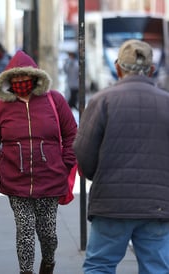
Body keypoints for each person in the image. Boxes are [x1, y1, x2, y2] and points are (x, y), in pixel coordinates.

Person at [73, 39, 169, 274]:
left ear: (118, 67)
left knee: (100, 266)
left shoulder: (101, 101)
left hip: (111, 203)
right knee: (156, 267)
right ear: (152, 69)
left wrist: (101, 176)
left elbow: (83, 154)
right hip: (157, 204)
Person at [0, 50, 77, 274]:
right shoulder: (0, 108)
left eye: (24, 77)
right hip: (16, 181)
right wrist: (0, 164)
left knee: (48, 234)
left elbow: (72, 134)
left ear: (35, 78)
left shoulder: (55, 100)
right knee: (24, 231)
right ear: (8, 81)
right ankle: (26, 271)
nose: (20, 82)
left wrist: (65, 164)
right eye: (15, 78)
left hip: (51, 179)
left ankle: (49, 263)